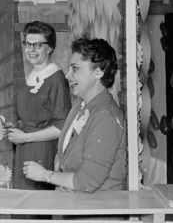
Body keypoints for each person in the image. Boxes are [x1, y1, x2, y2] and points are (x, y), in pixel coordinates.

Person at [22, 38, 127, 192]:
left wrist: (45, 175)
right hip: (74, 207)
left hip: (98, 212)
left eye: (75, 69)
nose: (67, 75)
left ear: (98, 72)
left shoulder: (106, 117)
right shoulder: (80, 105)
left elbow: (86, 182)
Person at [7, 21, 71, 190]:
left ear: (49, 48)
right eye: (27, 44)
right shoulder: (33, 73)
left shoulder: (56, 79)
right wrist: (17, 126)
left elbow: (62, 126)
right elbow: (35, 114)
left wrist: (26, 137)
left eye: (37, 45)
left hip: (42, 151)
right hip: (24, 148)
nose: (31, 49)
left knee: (35, 203)